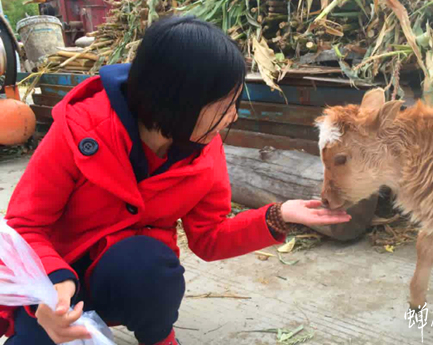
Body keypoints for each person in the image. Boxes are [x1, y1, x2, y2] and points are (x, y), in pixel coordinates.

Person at [0, 16, 351, 345]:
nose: (232, 116)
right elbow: (25, 225)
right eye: (225, 104)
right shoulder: (80, 128)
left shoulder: (203, 149)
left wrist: (278, 215)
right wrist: (48, 290)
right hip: (54, 281)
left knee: (152, 264)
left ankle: (158, 337)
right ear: (180, 100)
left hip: (125, 274)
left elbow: (209, 236)